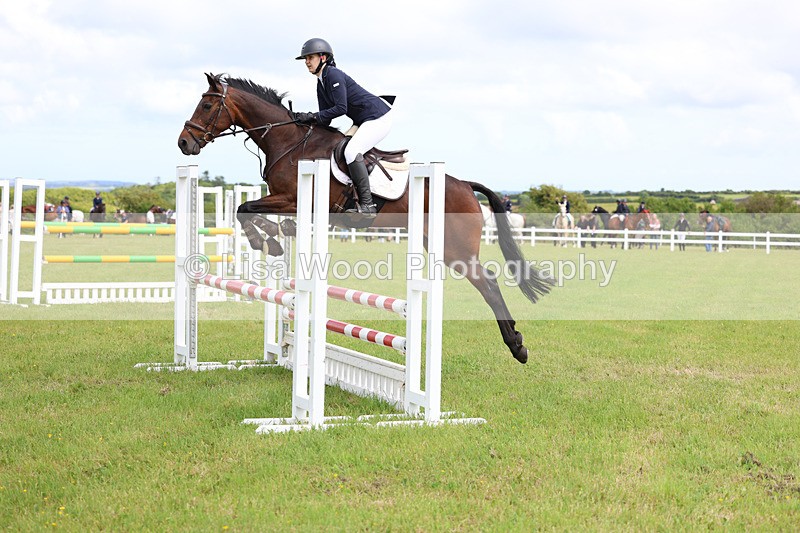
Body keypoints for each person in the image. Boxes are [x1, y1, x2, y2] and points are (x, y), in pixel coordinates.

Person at [294, 38, 393, 219]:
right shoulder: (321, 82)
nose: (307, 62)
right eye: (305, 59)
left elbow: (341, 108)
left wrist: (312, 116)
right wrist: (305, 122)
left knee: (351, 151)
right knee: (337, 148)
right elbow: (326, 118)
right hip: (362, 120)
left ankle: (368, 205)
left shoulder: (333, 75)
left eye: (310, 57)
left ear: (323, 58)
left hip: (378, 118)